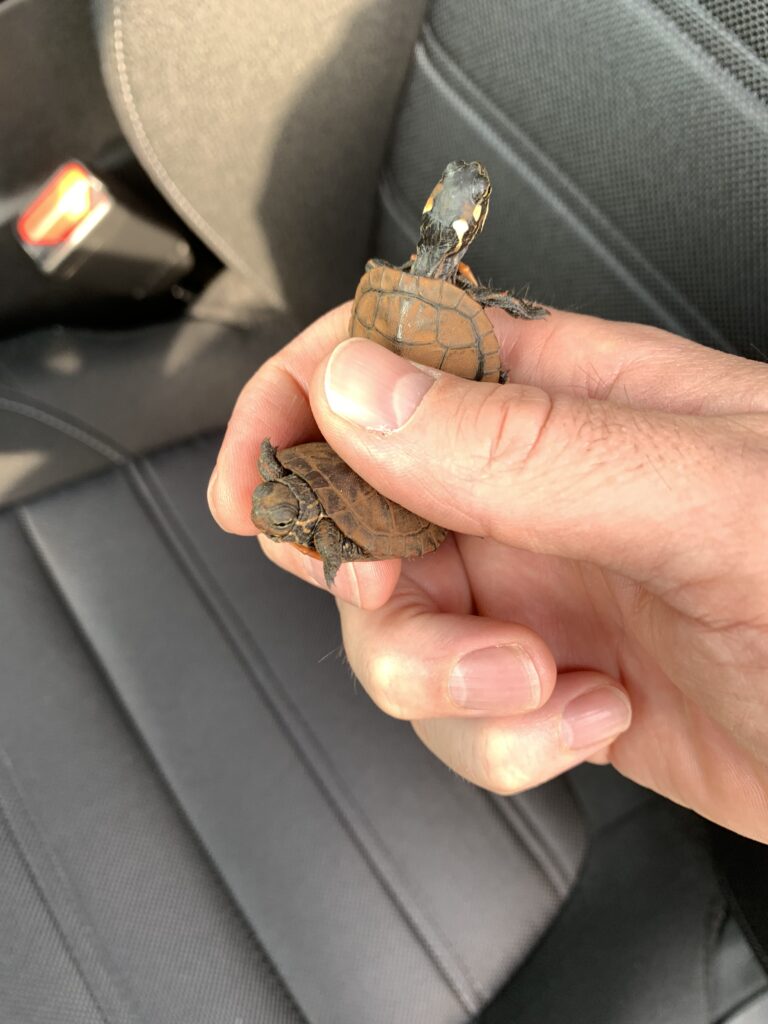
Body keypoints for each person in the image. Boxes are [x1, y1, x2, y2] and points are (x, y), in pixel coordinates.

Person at [207, 302, 768, 844]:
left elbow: (333, 539)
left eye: (274, 504)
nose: (268, 508)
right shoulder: (309, 505)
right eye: (274, 502)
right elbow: (323, 531)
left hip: (391, 466)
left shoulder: (322, 505)